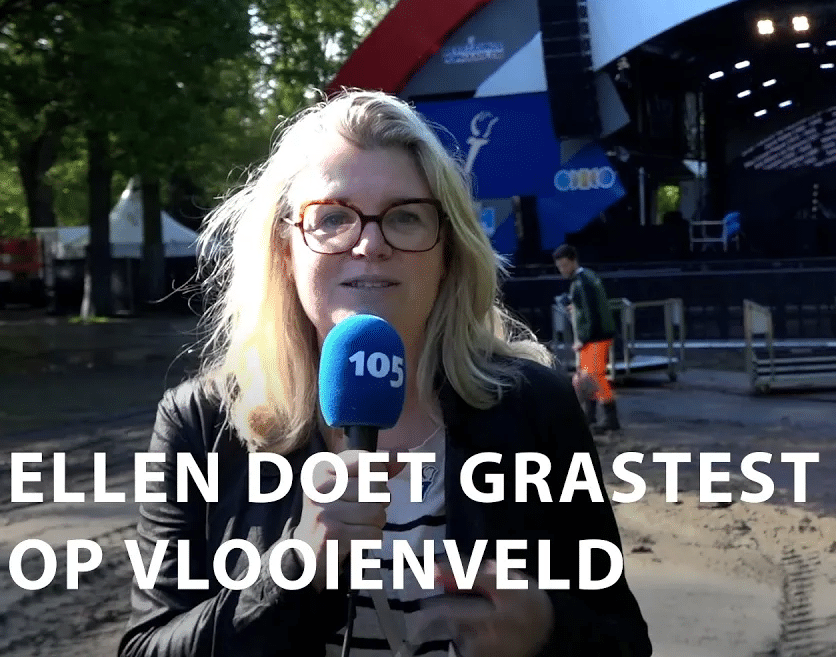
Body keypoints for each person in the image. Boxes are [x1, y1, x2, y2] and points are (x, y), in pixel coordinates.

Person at [118, 90, 651, 657]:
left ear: (447, 251)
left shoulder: (535, 408)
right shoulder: (200, 423)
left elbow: (621, 640)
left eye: (405, 217)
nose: (370, 243)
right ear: (284, 249)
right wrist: (292, 572)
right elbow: (146, 649)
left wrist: (547, 629)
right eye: (332, 217)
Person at [551, 245, 620, 434]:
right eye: (560, 267)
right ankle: (592, 416)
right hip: (598, 335)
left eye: (564, 265)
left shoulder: (581, 282)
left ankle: (608, 418)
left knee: (594, 376)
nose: (562, 270)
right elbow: (590, 307)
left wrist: (583, 338)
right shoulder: (587, 277)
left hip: (595, 337)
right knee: (588, 376)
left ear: (573, 261)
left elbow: (591, 313)